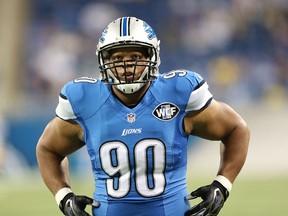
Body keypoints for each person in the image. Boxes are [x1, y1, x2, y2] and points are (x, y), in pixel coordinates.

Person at [36, 16, 250, 216]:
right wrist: (63, 196)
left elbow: (236, 128)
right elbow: (48, 149)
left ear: (152, 56)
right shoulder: (84, 99)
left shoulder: (178, 92)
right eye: (118, 57)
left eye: (135, 57)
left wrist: (223, 184)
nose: (127, 65)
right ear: (103, 61)